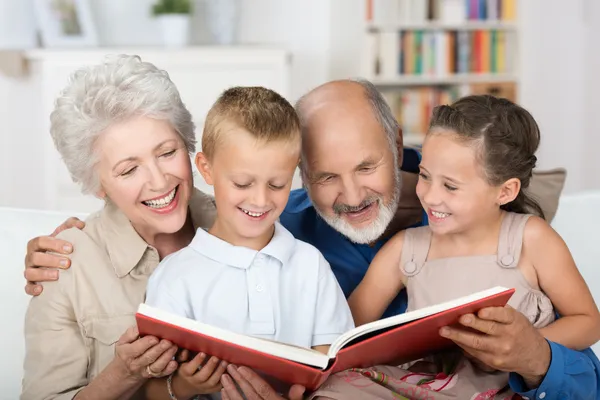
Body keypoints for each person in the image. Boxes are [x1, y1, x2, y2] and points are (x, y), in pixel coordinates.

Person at [23, 80, 600, 400]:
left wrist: (541, 356)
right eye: (323, 174)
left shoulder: (489, 204)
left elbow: (585, 358)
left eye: (368, 167)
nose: (350, 194)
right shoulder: (271, 219)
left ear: (399, 146)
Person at [310, 95, 600, 398]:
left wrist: (529, 345)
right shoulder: (406, 249)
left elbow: (588, 322)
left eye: (450, 186)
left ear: (505, 191)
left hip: (505, 385)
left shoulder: (531, 239)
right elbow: (347, 332)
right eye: (424, 176)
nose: (430, 196)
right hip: (427, 386)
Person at [20, 54, 221, 399]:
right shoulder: (63, 266)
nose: (159, 181)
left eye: (167, 152)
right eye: (129, 170)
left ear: (188, 143)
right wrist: (122, 374)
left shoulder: (245, 225)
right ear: (97, 184)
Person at [143, 86, 354, 399]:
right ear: (206, 169)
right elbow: (151, 391)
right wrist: (188, 385)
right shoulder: (175, 277)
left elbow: (335, 367)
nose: (260, 200)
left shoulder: (310, 265)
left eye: (277, 184)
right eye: (242, 183)